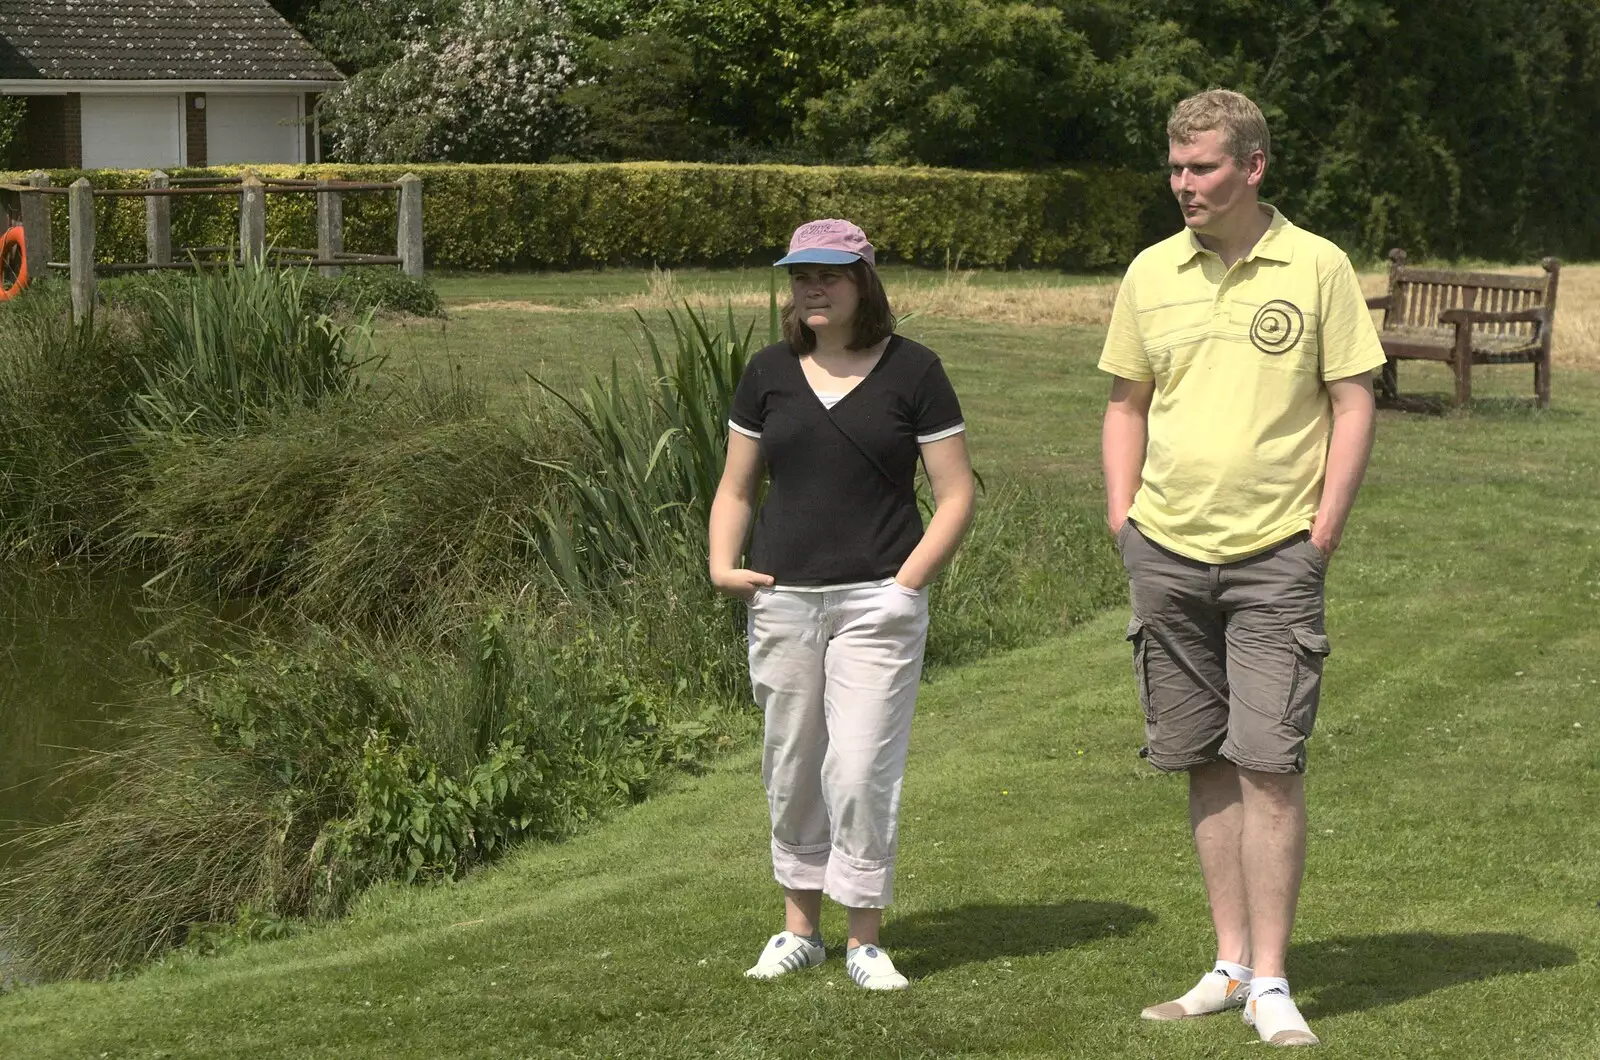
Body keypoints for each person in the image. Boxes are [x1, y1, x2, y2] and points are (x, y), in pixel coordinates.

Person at [1099, 90, 1384, 1046]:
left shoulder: (1317, 266)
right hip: (1167, 552)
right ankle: (1227, 965)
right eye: (1175, 168)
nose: (1184, 184)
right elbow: (1127, 402)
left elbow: (1352, 400)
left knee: (1268, 761)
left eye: (1203, 168)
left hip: (1275, 558)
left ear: (1252, 167)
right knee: (1203, 763)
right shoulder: (1151, 272)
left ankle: (1272, 980)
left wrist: (1325, 528)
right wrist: (1122, 517)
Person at [709, 218, 976, 991]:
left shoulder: (915, 372)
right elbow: (736, 487)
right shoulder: (767, 372)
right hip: (783, 600)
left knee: (859, 770)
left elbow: (955, 496)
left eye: (828, 274)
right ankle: (800, 930)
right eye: (800, 276)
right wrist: (722, 564)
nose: (812, 288)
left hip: (877, 603)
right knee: (792, 767)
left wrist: (906, 585)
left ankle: (863, 938)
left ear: (865, 282)